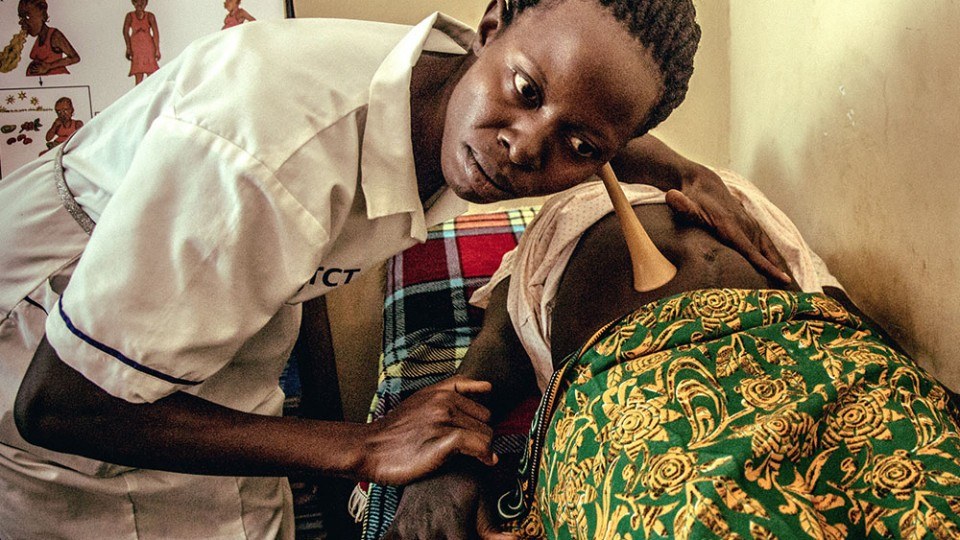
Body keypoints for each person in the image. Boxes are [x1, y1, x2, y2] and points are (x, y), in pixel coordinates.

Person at [0, 0, 784, 537]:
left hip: (213, 334)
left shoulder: (456, 83)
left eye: (579, 147)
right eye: (523, 91)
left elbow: (577, 110)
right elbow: (57, 406)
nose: (522, 147)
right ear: (491, 25)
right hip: (64, 368)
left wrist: (683, 172)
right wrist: (364, 445)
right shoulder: (259, 157)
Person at [387, 170, 960, 538]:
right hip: (638, 382)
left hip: (803, 344)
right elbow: (492, 357)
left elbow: (822, 292)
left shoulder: (732, 193)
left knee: (926, 487)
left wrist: (909, 382)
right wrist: (446, 468)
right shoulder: (551, 225)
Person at [17, 0, 80, 77]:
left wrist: (49, 66)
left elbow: (75, 58)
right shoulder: (39, 37)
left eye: (27, 17)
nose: (22, 23)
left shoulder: (55, 35)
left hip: (56, 80)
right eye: (21, 18)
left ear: (43, 16)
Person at [123, 0, 161, 85]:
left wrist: (157, 49)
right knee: (138, 73)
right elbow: (125, 32)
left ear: (146, 3)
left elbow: (155, 33)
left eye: (142, 2)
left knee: (151, 72)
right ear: (133, 3)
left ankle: (151, 93)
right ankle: (139, 94)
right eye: (137, 2)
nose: (139, 5)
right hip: (136, 47)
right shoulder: (130, 16)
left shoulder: (150, 16)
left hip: (148, 47)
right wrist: (128, 48)